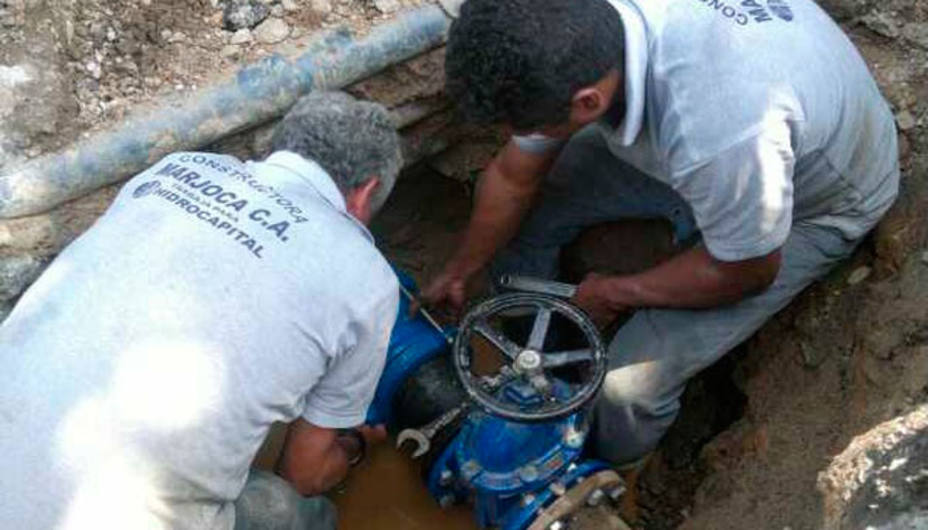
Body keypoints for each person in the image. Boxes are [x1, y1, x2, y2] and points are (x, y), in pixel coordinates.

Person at [425, 0, 899, 475]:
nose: (520, 137)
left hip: (817, 202)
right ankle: (537, 338)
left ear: (588, 101)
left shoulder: (720, 130)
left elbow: (747, 269)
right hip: (734, 153)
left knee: (625, 391)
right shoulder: (568, 42)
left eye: (526, 127)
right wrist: (462, 267)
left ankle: (605, 473)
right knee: (526, 215)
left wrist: (616, 292)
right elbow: (512, 178)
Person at [0, 91, 403, 530]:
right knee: (292, 510)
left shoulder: (175, 168)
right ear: (367, 192)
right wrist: (350, 448)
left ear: (283, 146)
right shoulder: (369, 281)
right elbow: (303, 474)